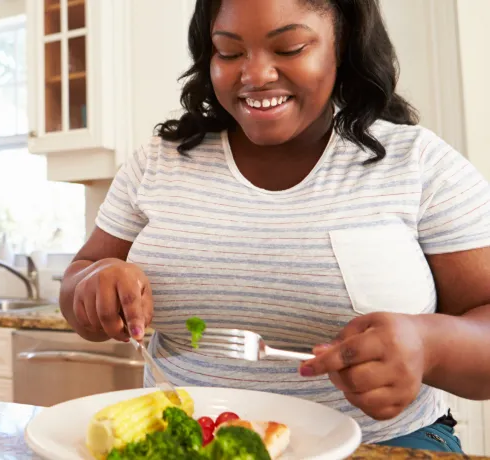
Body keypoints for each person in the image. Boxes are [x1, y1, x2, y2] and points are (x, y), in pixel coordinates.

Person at [59, 0, 490, 452]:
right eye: (229, 52)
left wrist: (429, 346)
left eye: (289, 48)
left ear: (344, 45)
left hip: (385, 444)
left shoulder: (418, 163)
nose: (256, 74)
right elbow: (80, 280)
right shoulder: (159, 162)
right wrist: (93, 281)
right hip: (187, 441)